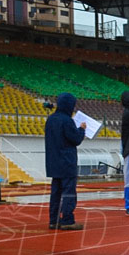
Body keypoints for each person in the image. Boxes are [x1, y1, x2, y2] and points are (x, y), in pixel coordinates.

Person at [44, 92, 86, 230]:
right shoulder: (67, 120)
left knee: (55, 192)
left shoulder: (50, 119)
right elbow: (75, 139)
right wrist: (81, 129)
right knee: (68, 192)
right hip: (66, 161)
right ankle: (67, 220)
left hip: (53, 161)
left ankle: (53, 220)